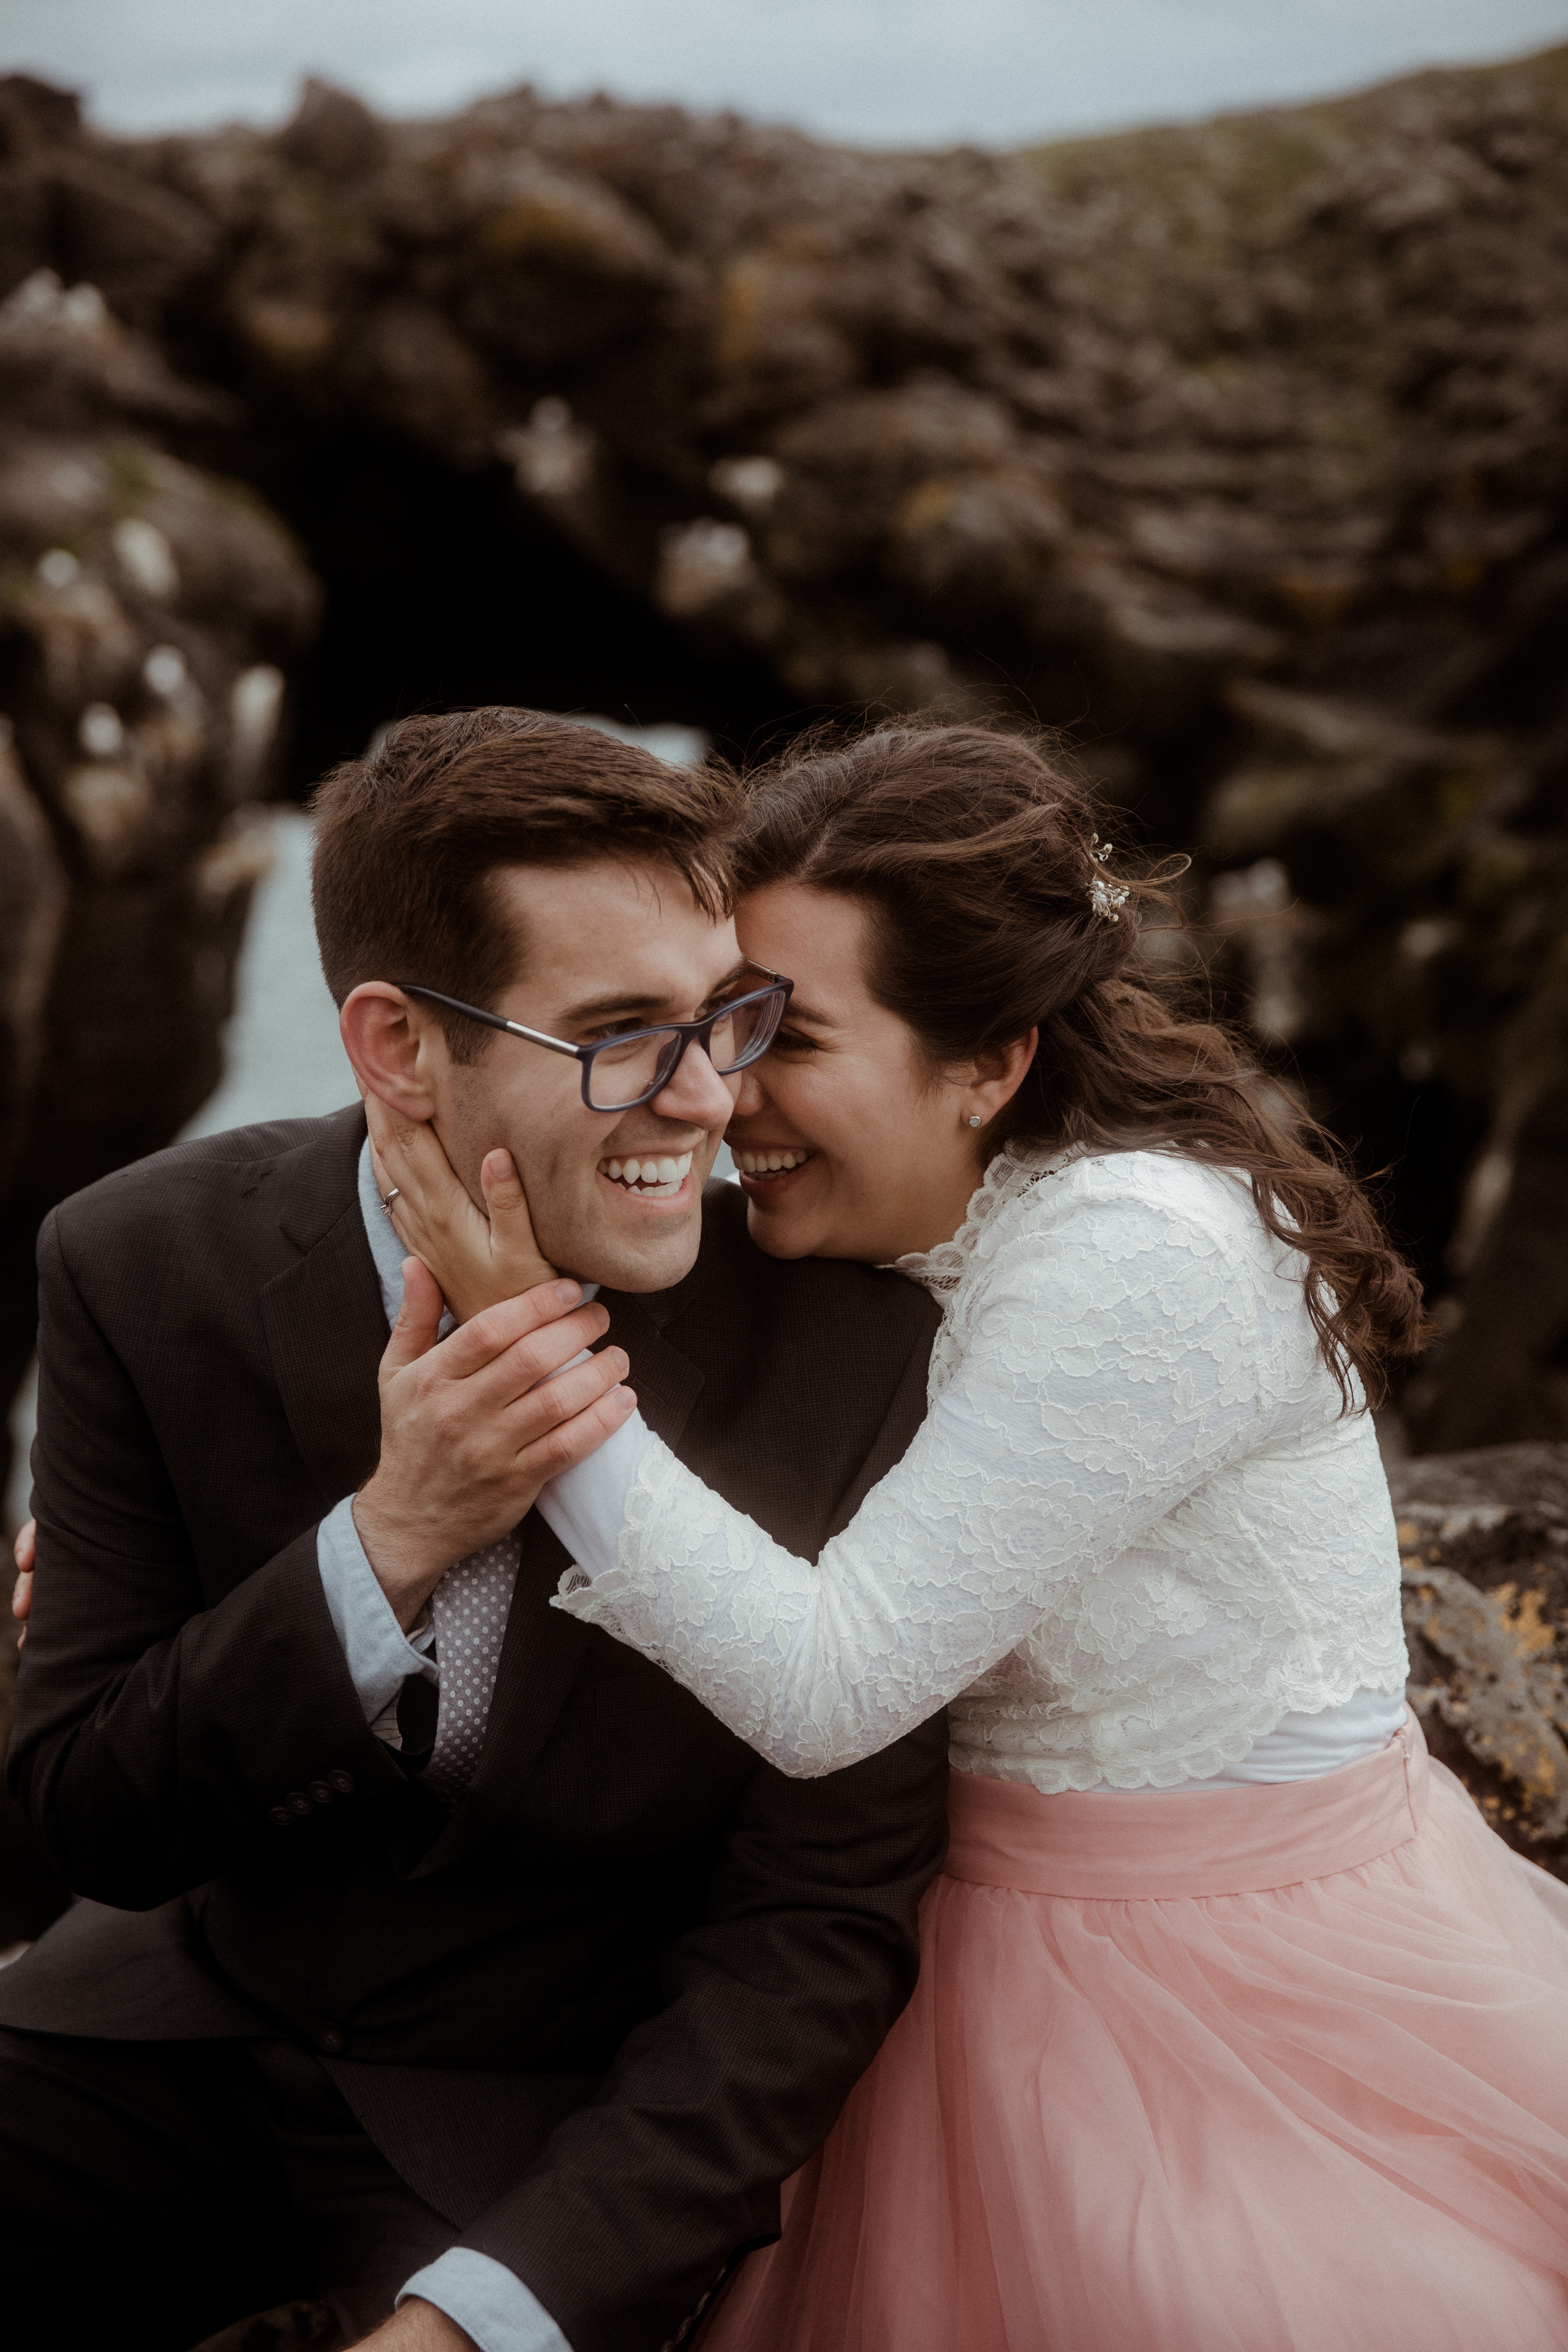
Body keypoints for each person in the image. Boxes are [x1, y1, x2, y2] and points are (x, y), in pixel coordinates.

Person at [370, 720, 1568, 2352]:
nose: (723, 1090)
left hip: (1236, 2002)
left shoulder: (1140, 1257)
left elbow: (824, 1677)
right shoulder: (871, 1213)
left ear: (991, 1063)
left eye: (789, 1034)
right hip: (950, 1945)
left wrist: (533, 1353)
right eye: (723, 1018)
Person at [0, 708, 951, 2351]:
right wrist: (385, 1543)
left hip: (525, 2130)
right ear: (396, 1050)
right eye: (622, 1034)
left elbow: (811, 1937)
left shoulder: (854, 1358)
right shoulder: (141, 1259)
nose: (711, 1099)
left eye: (724, 1017)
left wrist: (483, 2320)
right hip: (162, 2029)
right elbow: (81, 1816)